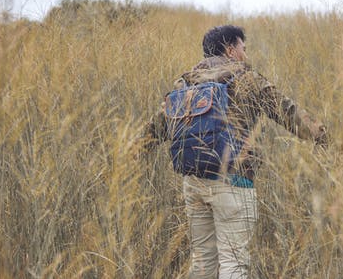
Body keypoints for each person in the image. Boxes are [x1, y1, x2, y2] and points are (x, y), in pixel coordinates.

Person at [138, 25, 327, 279]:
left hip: (193, 180)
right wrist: (325, 139)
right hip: (233, 181)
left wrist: (131, 154)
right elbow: (289, 113)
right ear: (231, 50)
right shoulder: (248, 80)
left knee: (203, 261)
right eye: (243, 49)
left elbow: (157, 127)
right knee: (233, 261)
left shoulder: (185, 84)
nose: (246, 56)